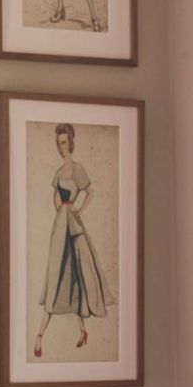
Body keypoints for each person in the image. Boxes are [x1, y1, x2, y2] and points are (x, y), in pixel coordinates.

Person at [34, 123, 110, 355]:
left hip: (74, 227)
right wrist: (62, 211)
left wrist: (77, 211)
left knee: (76, 276)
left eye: (64, 142)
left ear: (72, 142)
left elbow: (90, 192)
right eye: (58, 144)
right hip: (60, 227)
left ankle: (80, 330)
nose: (61, 147)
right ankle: (40, 335)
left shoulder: (78, 169)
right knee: (56, 275)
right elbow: (54, 198)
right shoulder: (58, 173)